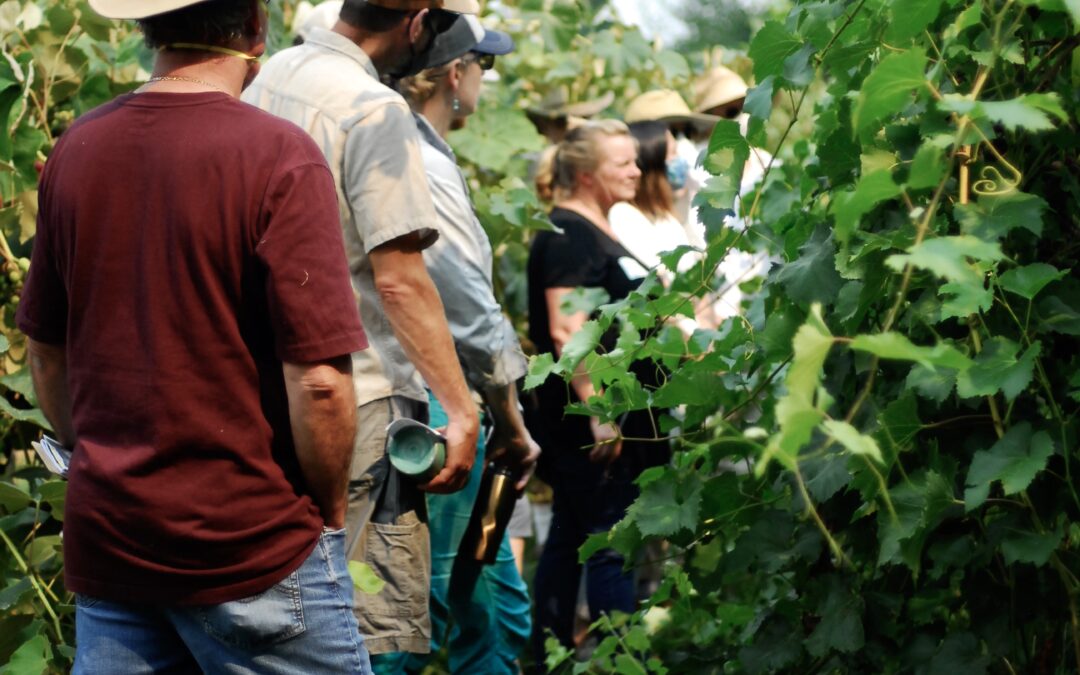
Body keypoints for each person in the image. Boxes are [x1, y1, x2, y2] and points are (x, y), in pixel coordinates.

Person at [18, 0, 372, 672]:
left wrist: (92, 457)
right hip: (249, 544)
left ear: (146, 27)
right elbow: (320, 381)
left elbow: (46, 349)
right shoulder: (277, 154)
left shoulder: (77, 148)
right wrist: (327, 511)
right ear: (257, 28)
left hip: (113, 542)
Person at [241, 0, 482, 662]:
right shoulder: (375, 108)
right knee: (358, 633)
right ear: (416, 22)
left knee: (281, 626)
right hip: (356, 400)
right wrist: (460, 409)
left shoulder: (272, 74)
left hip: (267, 391)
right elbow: (400, 279)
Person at [386, 16, 538, 673]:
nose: (484, 80)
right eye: (485, 67)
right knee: (428, 613)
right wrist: (508, 415)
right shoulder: (419, 165)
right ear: (455, 74)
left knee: (494, 610)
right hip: (444, 410)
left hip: (434, 405)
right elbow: (468, 312)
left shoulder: (406, 153)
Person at [527, 120, 668, 660]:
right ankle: (618, 660)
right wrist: (602, 410)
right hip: (590, 422)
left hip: (614, 418)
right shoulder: (568, 234)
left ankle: (552, 656)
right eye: (624, 163)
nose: (637, 170)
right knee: (609, 541)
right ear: (587, 174)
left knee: (573, 536)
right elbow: (568, 328)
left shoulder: (595, 229)